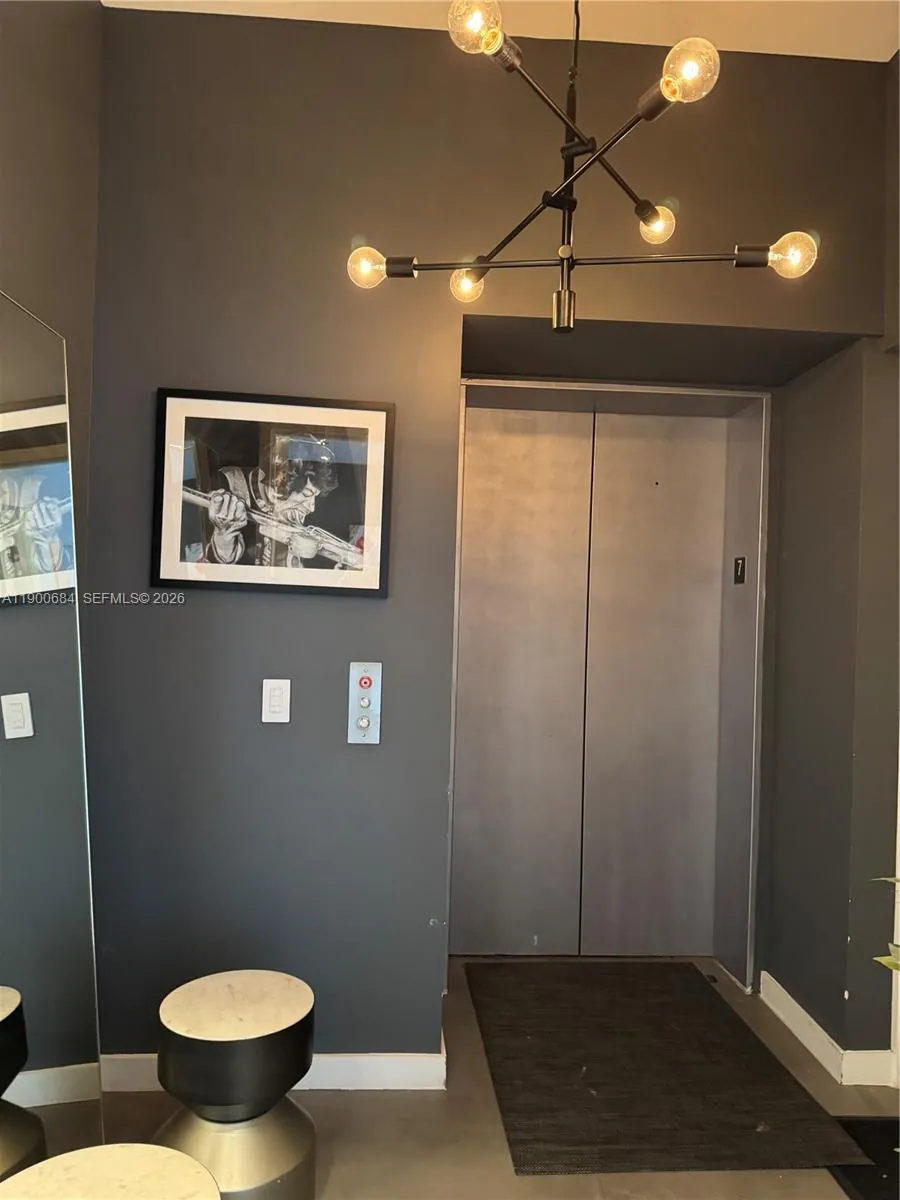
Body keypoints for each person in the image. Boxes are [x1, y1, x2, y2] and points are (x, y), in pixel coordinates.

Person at [204, 433, 339, 568]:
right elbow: (208, 568)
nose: (311, 507)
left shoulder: (301, 514)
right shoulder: (227, 484)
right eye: (306, 494)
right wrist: (224, 537)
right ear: (278, 487)